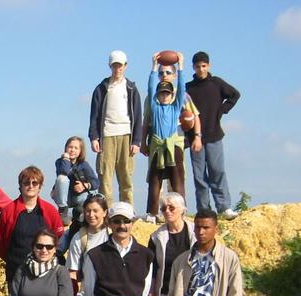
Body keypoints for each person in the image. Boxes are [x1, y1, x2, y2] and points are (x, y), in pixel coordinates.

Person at [141, 62, 203, 223]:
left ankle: (181, 209)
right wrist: (153, 67)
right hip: (157, 146)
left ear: (171, 94)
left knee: (177, 180)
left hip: (174, 146)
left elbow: (181, 88)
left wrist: (181, 66)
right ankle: (152, 212)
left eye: (167, 94)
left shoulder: (176, 106)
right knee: (155, 181)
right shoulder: (154, 106)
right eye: (162, 94)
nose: (164, 96)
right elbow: (150, 86)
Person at [186, 52, 241, 220]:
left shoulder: (216, 83)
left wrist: (222, 110)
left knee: (217, 171)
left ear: (208, 66)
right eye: (197, 66)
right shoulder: (188, 88)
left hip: (214, 135)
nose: (201, 69)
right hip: (195, 138)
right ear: (193, 67)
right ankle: (204, 210)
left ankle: (224, 207)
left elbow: (235, 94)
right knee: (199, 176)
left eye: (204, 66)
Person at [88, 50, 142, 206]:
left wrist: (136, 140)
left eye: (120, 66)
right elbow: (94, 115)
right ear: (110, 66)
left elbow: (138, 116)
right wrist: (94, 137)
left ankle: (127, 210)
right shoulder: (102, 88)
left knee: (126, 176)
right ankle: (107, 211)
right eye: (114, 65)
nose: (117, 69)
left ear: (125, 66)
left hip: (126, 135)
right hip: (107, 135)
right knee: (105, 176)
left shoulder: (131, 88)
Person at [0, 166, 64, 284]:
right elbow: (0, 242)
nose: (30, 186)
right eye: (26, 182)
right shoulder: (8, 211)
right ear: (20, 186)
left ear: (40, 187)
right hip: (16, 271)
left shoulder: (50, 210)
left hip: (46, 273)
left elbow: (58, 237)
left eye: (35, 183)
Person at [51, 136, 99, 226]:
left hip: (79, 196)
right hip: (66, 197)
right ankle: (63, 211)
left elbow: (96, 182)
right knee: (61, 178)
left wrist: (84, 185)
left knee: (90, 194)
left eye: (76, 148)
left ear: (81, 151)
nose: (72, 150)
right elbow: (64, 171)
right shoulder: (60, 162)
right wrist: (65, 159)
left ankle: (78, 213)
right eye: (70, 147)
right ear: (65, 148)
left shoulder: (84, 165)